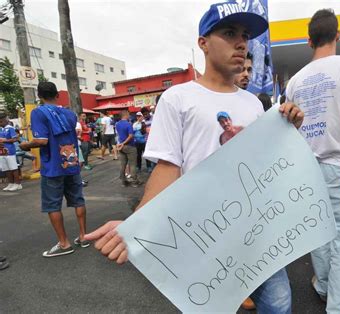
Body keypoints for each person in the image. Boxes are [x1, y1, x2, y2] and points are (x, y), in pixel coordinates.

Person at [85, 2, 303, 313]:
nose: (241, 43)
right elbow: (167, 168)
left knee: (279, 306)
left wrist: (291, 128)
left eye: (244, 35)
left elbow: (265, 165)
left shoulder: (253, 104)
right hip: (206, 235)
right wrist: (138, 225)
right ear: (203, 43)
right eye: (229, 33)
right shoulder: (178, 98)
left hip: (257, 231)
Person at [285, 9, 340, 312]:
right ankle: (339, 308)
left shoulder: (295, 81)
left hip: (308, 170)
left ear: (309, 41)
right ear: (338, 34)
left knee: (320, 233)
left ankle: (324, 286)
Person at [19, 82, 90, 257]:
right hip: (71, 163)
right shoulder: (70, 114)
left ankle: (64, 243)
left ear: (39, 95)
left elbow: (42, 141)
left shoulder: (38, 113)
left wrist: (26, 145)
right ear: (57, 94)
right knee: (78, 200)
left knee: (52, 205)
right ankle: (83, 236)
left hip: (52, 166)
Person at [115, 110, 139, 187]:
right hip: (129, 146)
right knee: (132, 164)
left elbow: (119, 134)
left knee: (123, 165)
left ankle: (123, 181)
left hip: (121, 146)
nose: (129, 116)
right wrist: (124, 143)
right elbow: (130, 135)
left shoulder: (117, 124)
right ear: (125, 115)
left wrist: (120, 143)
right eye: (128, 114)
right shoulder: (128, 124)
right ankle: (134, 182)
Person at [0, 113, 22, 191]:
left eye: (1, 121)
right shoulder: (1, 129)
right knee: (6, 169)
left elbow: (15, 139)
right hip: (2, 152)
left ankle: (18, 184)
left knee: (13, 168)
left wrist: (5, 140)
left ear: (5, 120)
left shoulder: (10, 128)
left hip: (10, 151)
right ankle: (11, 183)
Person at [140, 107, 155, 172]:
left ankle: (155, 166)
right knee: (149, 154)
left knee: (156, 154)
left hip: (155, 139)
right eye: (144, 115)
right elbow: (142, 132)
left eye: (146, 114)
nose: (145, 116)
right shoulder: (143, 121)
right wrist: (143, 127)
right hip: (147, 140)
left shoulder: (154, 117)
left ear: (149, 112)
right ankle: (150, 167)